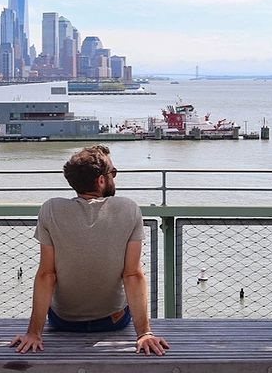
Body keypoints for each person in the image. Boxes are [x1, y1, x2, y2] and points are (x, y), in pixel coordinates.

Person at [10, 145, 169, 356]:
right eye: (113, 173)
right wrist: (144, 334)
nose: (114, 177)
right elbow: (132, 275)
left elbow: (47, 274)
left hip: (63, 321)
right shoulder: (128, 209)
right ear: (101, 180)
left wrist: (33, 334)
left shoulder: (51, 209)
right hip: (114, 321)